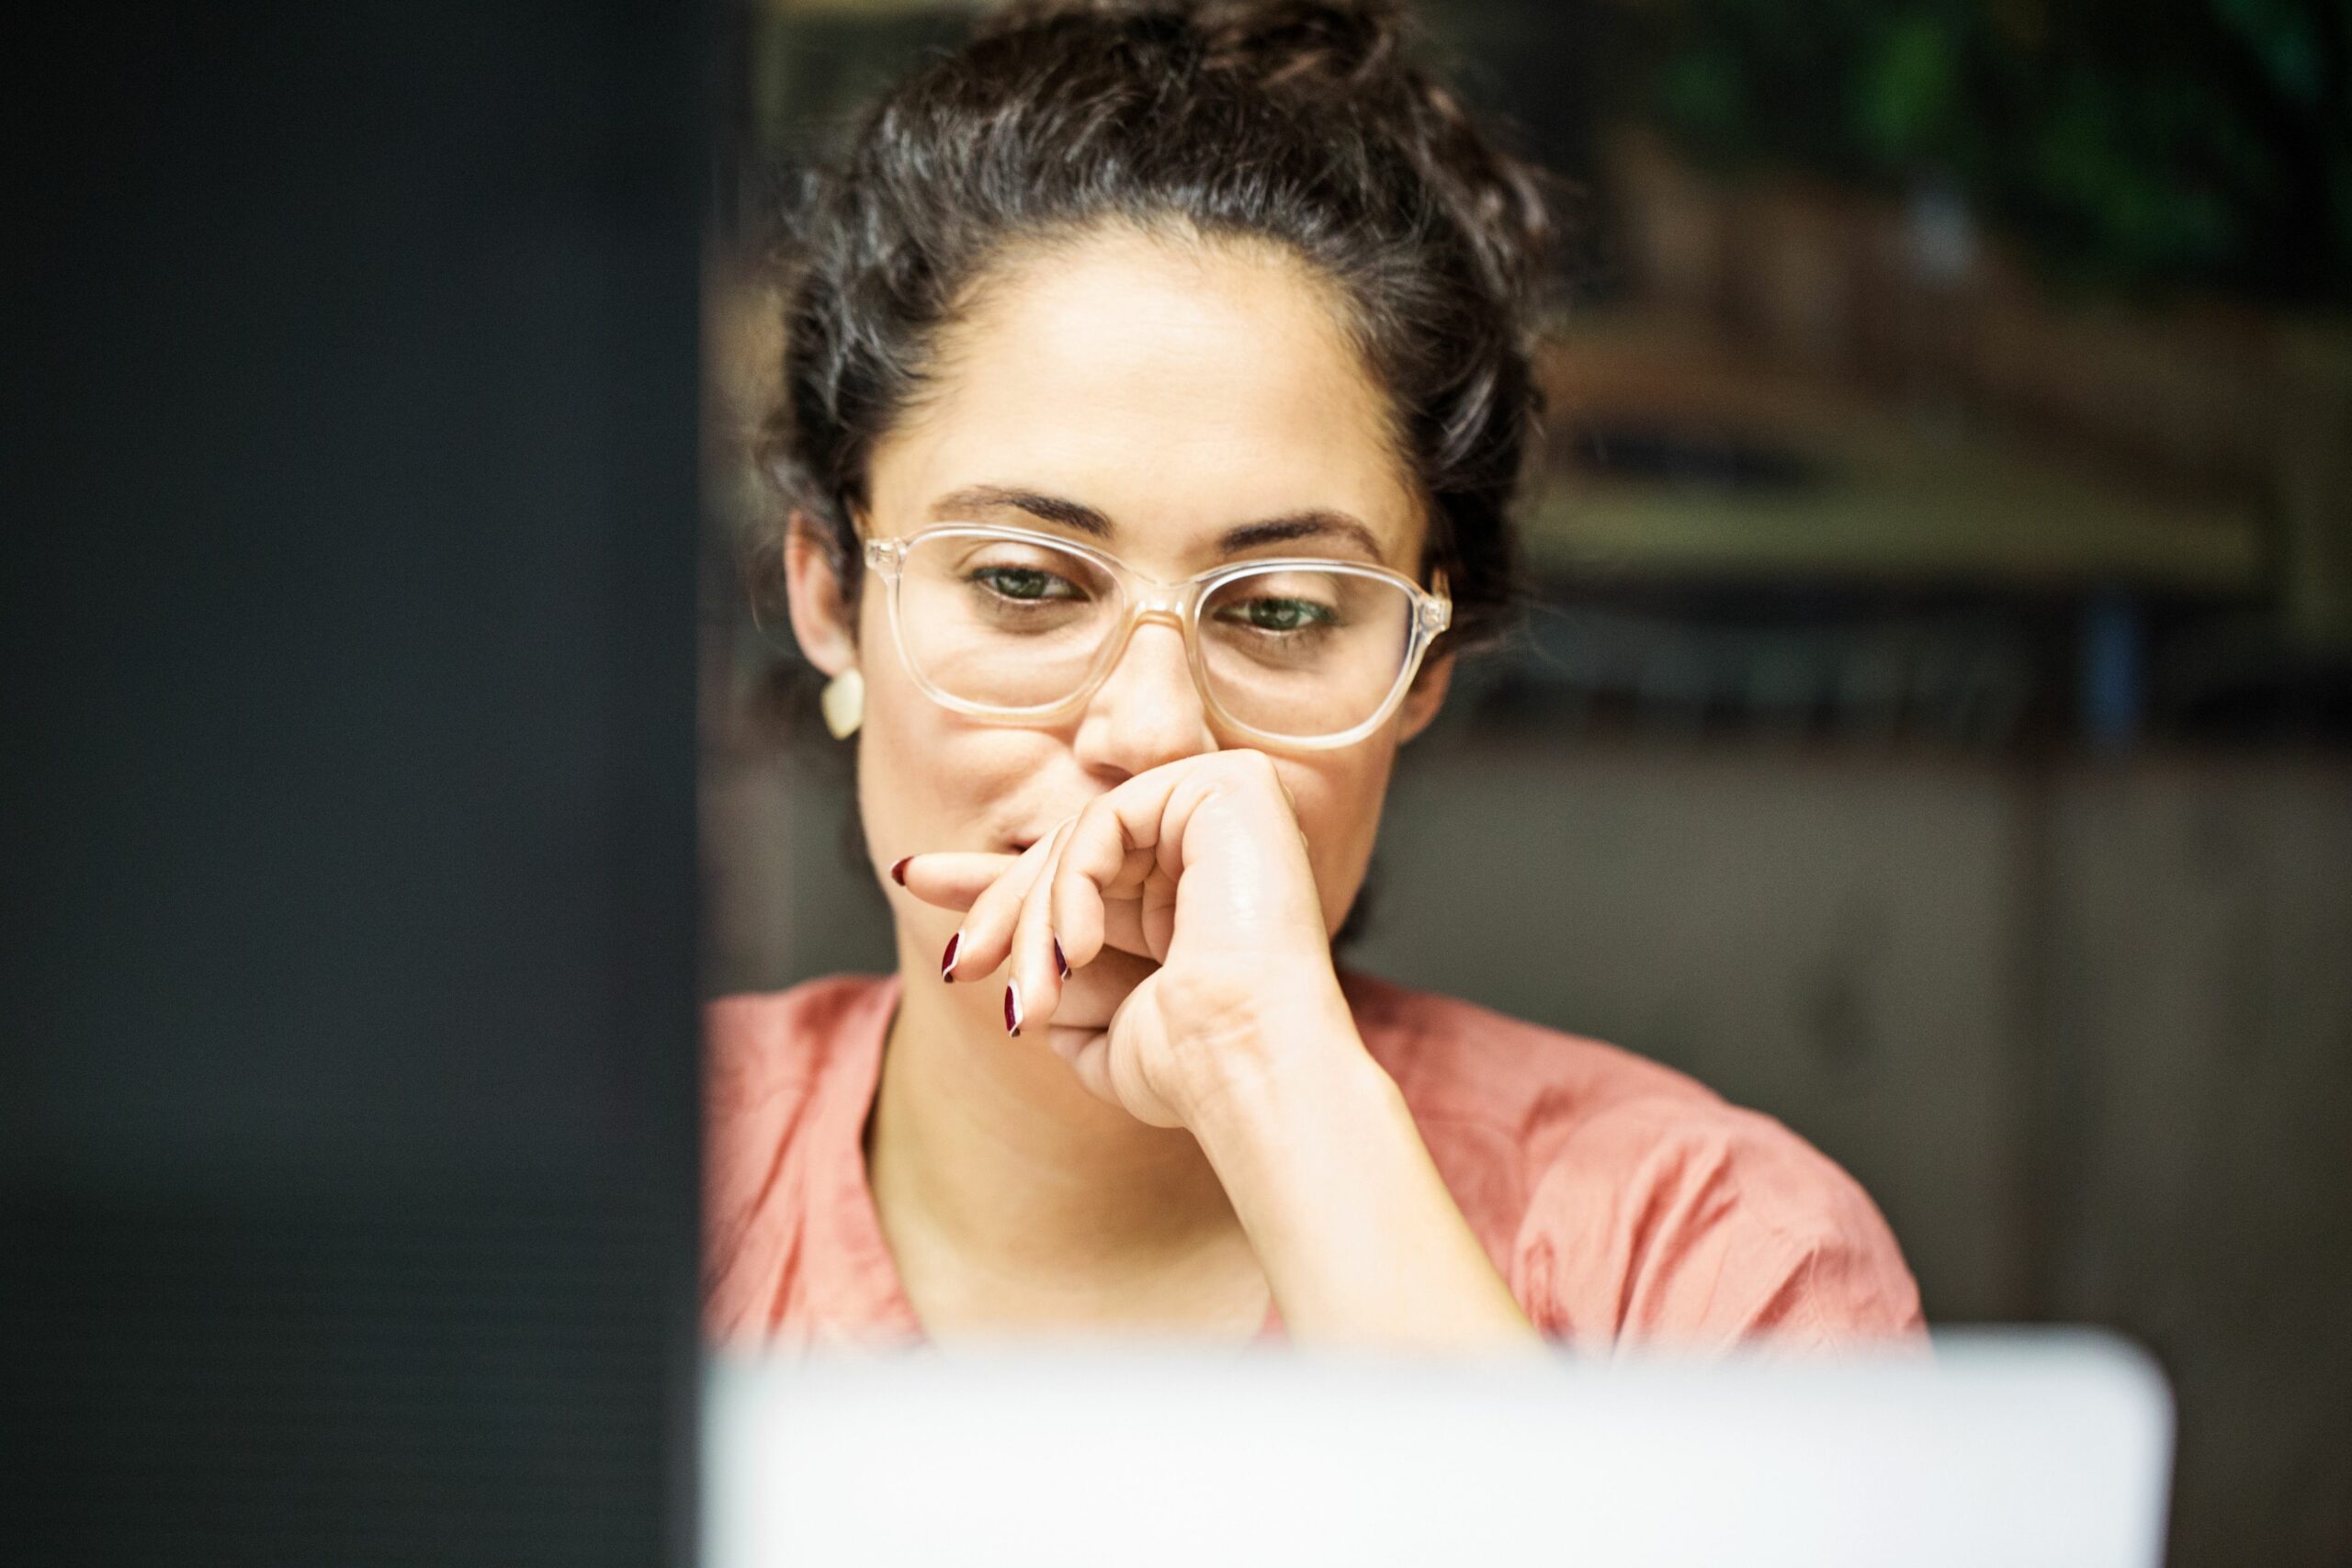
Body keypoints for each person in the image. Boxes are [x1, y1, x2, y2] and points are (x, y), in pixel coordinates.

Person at [707, 0, 1922, 1352]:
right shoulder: (606, 1200)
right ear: (829, 592)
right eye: (1023, 583)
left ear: (1423, 665)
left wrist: (1271, 1086)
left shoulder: (1712, 1268)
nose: (1152, 730)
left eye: (1281, 612)